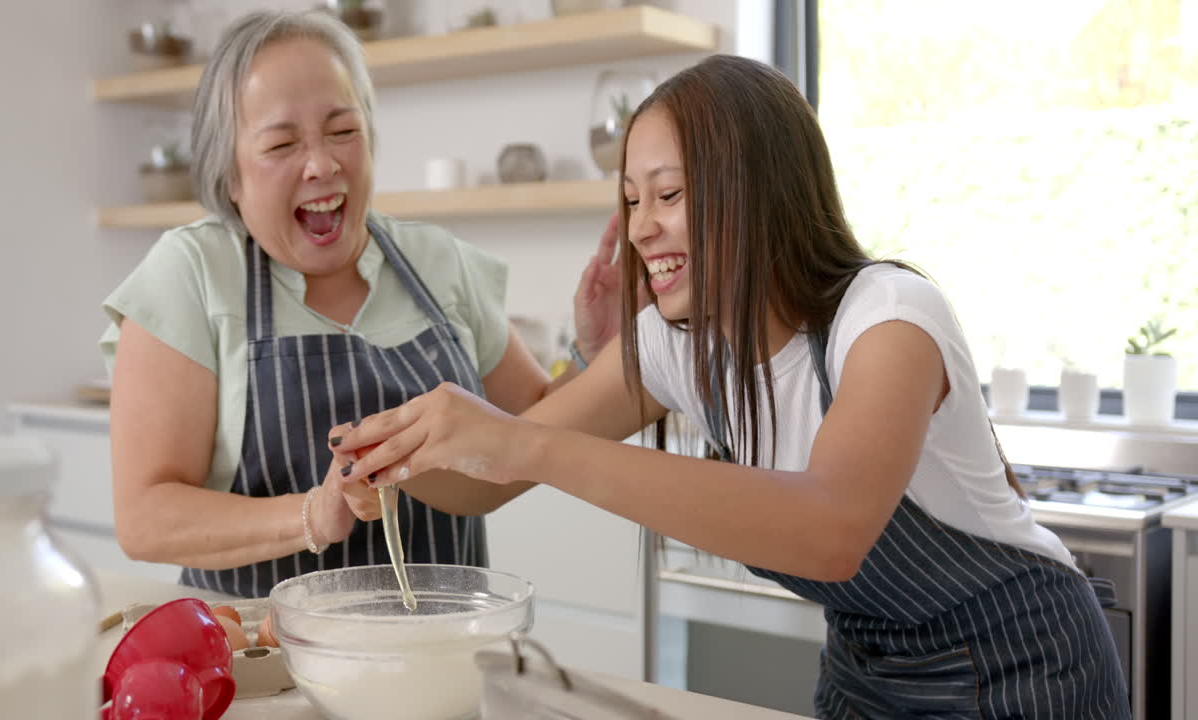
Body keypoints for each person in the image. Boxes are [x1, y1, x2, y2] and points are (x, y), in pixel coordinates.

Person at [332, 54, 1131, 718]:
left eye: (671, 195)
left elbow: (831, 529)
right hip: (866, 670)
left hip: (1027, 664)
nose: (643, 227)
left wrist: (523, 440)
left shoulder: (889, 319)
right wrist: (391, 459)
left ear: (762, 189)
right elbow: (487, 484)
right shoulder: (677, 343)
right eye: (634, 200)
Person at [98, 9, 621, 598]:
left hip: (442, 651)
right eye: (282, 143)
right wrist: (313, 515)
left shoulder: (436, 261)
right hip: (263, 669)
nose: (322, 164)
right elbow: (145, 517)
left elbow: (533, 431)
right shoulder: (193, 275)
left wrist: (591, 353)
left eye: (343, 131)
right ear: (230, 176)